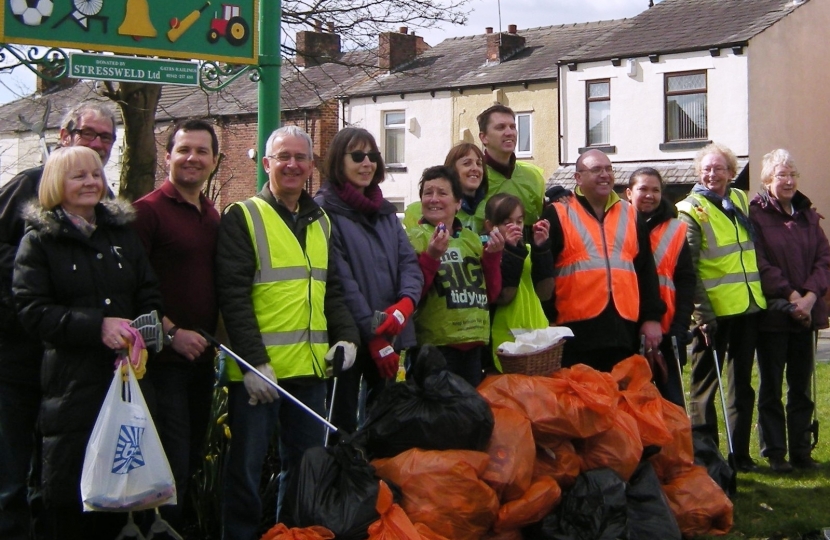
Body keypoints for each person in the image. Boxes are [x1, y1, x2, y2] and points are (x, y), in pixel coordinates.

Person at [216, 125, 360, 538]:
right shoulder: (243, 216)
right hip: (258, 376)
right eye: (283, 157)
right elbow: (234, 297)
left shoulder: (321, 221)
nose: (292, 165)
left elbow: (330, 289)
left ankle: (291, 534)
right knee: (244, 470)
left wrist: (346, 337)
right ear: (266, 164)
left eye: (300, 158)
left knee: (303, 473)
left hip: (310, 372)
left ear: (312, 166)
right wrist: (253, 362)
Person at [12, 146, 161, 539]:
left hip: (125, 384)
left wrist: (140, 336)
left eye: (96, 174)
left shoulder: (121, 235)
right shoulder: (39, 242)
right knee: (68, 499)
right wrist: (96, 327)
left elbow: (149, 293)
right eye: (78, 176)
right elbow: (32, 311)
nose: (91, 183)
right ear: (56, 183)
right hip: (70, 388)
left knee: (121, 500)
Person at [0, 101, 117, 540]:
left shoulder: (101, 205)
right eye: (89, 133)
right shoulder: (27, 186)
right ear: (65, 133)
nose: (97, 144)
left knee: (52, 477)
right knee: (12, 475)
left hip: (69, 366)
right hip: (20, 355)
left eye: (106, 137)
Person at [131, 119, 221, 527]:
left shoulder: (212, 215)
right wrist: (170, 333)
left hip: (201, 365)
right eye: (184, 149)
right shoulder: (145, 213)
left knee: (188, 463)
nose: (193, 158)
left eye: (202, 151)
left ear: (215, 161)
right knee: (169, 469)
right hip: (161, 367)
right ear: (167, 156)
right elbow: (130, 289)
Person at [314, 127, 422, 436]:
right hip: (350, 339)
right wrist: (373, 335)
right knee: (342, 426)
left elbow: (408, 262)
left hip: (391, 332)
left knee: (383, 426)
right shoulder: (325, 211)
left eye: (372, 156)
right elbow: (341, 280)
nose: (367, 163)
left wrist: (405, 304)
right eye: (357, 156)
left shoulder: (385, 212)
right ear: (339, 161)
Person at [676, 142, 766, 472]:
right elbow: (692, 269)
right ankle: (707, 458)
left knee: (741, 385)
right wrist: (702, 314)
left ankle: (740, 455)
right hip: (711, 315)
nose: (712, 174)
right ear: (699, 172)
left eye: (719, 169)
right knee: (704, 388)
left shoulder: (739, 200)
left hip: (746, 307)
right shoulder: (690, 209)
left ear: (731, 172)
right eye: (707, 169)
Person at [540, 149, 664, 372]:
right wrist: (547, 321)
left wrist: (652, 317)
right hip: (574, 331)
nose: (605, 175)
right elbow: (543, 272)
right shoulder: (558, 213)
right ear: (578, 178)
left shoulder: (631, 214)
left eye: (608, 169)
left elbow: (645, 271)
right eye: (596, 170)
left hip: (623, 329)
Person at [749, 149, 829, 472]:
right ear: (768, 179)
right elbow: (760, 263)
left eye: (792, 174)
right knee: (771, 387)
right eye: (781, 175)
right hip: (773, 315)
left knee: (801, 386)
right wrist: (791, 295)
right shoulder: (756, 215)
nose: (788, 180)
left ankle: (801, 450)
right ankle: (775, 454)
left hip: (806, 314)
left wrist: (809, 298)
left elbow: (824, 260)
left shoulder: (808, 215)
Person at [406, 165, 504, 387]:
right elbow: (412, 294)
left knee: (467, 415)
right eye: (427, 193)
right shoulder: (414, 238)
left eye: (442, 193)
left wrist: (493, 258)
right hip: (435, 347)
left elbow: (491, 293)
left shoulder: (471, 238)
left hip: (473, 344)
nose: (434, 199)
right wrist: (431, 257)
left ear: (458, 203)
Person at [626, 168, 696, 406]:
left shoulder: (675, 229)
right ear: (628, 193)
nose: (649, 195)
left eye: (655, 190)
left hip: (666, 330)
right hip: (627, 326)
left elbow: (686, 280)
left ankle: (676, 444)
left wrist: (680, 325)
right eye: (642, 189)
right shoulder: (618, 225)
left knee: (672, 402)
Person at [483, 193, 554, 371]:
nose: (515, 227)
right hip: (504, 337)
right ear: (490, 226)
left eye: (520, 221)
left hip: (536, 337)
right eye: (507, 222)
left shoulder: (528, 250)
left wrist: (541, 249)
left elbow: (545, 292)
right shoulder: (488, 254)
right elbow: (504, 295)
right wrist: (510, 252)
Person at [475, 104, 546, 232]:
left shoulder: (532, 175)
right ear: (483, 137)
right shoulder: (474, 176)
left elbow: (542, 219)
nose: (509, 133)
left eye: (513, 127)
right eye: (500, 127)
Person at [402, 142, 489, 232]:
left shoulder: (489, 207)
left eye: (479, 164)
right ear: (452, 169)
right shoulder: (418, 211)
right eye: (467, 163)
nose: (475, 168)